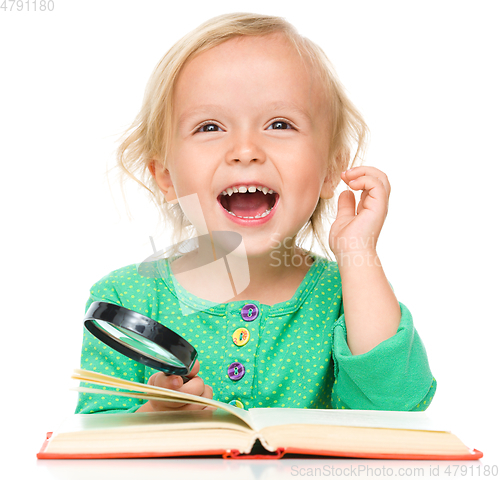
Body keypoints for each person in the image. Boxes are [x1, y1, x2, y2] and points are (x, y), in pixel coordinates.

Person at [75, 12, 436, 414]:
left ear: (332, 169)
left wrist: (358, 255)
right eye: (210, 127)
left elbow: (397, 408)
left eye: (279, 124)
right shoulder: (127, 297)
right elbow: (91, 438)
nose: (245, 150)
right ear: (165, 176)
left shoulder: (349, 295)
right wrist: (148, 419)